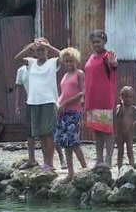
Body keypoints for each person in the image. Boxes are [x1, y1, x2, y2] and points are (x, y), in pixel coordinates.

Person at [15, 37, 60, 171]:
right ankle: (45, 163)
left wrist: (48, 45)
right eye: (38, 50)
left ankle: (49, 163)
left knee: (49, 133)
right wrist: (31, 47)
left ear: (47, 51)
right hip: (34, 101)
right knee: (40, 133)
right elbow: (17, 58)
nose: (40, 52)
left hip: (48, 100)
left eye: (43, 50)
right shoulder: (31, 62)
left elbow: (64, 54)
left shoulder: (53, 62)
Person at [84, 29, 118, 169]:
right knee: (97, 130)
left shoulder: (107, 56)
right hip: (92, 98)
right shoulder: (91, 57)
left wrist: (114, 63)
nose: (96, 44)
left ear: (104, 41)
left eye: (98, 41)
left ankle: (108, 160)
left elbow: (114, 66)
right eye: (93, 42)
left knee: (107, 130)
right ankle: (98, 159)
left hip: (104, 98)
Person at [54, 47, 87, 182]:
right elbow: (62, 93)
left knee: (73, 141)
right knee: (65, 142)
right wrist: (58, 104)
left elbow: (82, 92)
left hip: (74, 111)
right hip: (63, 111)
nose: (68, 64)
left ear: (76, 61)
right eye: (66, 62)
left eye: (71, 61)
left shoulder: (79, 73)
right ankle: (70, 172)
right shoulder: (64, 76)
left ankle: (84, 167)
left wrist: (66, 103)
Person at [115, 86, 136, 171]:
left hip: (129, 133)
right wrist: (120, 105)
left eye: (131, 97)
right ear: (121, 97)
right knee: (120, 152)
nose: (128, 99)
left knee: (130, 151)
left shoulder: (133, 108)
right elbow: (116, 116)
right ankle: (119, 169)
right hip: (120, 133)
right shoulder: (119, 107)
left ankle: (132, 168)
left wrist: (135, 123)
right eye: (126, 97)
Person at [15, 62, 38, 170]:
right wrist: (17, 105)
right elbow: (18, 88)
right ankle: (31, 159)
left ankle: (60, 159)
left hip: (43, 101)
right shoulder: (21, 70)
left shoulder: (38, 66)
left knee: (48, 132)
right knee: (30, 132)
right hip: (30, 102)